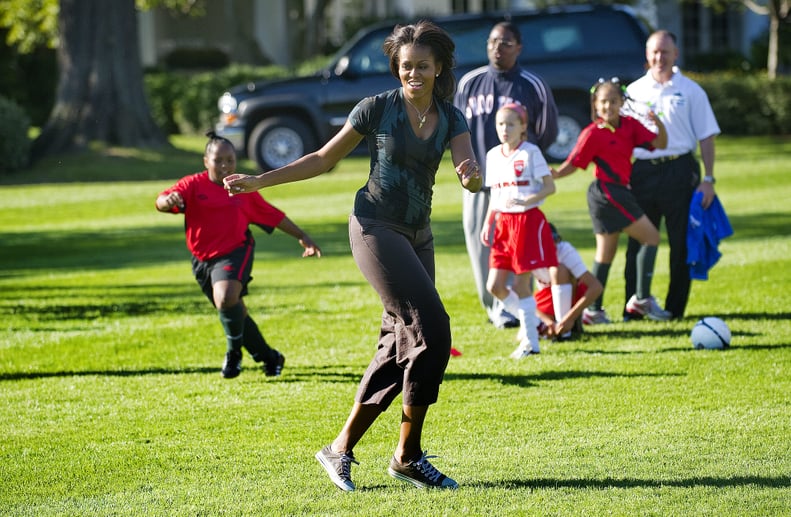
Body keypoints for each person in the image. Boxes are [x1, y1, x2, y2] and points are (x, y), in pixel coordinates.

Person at [223, 21, 481, 492]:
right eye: (406, 67)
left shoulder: (451, 116)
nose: (414, 74)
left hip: (418, 235)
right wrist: (260, 181)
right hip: (374, 228)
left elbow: (470, 173)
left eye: (423, 66)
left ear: (438, 67)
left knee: (396, 345)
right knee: (433, 329)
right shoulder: (377, 109)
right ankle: (408, 453)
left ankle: (344, 449)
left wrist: (472, 177)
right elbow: (323, 159)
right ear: (396, 68)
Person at [155, 131, 322, 379]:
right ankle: (269, 357)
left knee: (225, 298)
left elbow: (272, 214)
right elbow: (161, 200)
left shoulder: (242, 188)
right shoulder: (192, 185)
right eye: (218, 160)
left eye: (230, 160)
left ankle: (234, 355)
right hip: (202, 261)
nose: (224, 165)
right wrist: (169, 201)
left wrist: (303, 236)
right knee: (235, 310)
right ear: (205, 161)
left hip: (236, 251)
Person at [454, 21, 559, 329]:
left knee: (517, 246)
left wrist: (523, 161)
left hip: (516, 183)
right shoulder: (470, 83)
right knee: (480, 243)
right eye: (493, 41)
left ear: (519, 48)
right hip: (479, 182)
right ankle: (497, 309)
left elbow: (546, 131)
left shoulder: (531, 84)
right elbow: (457, 132)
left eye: (505, 42)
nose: (497, 47)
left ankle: (517, 306)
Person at [551, 79, 670, 324]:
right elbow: (573, 163)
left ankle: (593, 312)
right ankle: (641, 299)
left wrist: (657, 122)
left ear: (621, 103)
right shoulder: (593, 133)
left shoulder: (630, 126)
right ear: (596, 104)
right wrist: (554, 173)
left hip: (617, 193)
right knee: (652, 237)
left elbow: (660, 143)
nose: (608, 106)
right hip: (607, 194)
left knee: (606, 254)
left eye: (613, 101)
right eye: (603, 102)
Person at [623, 30, 721, 320]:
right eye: (654, 52)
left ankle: (675, 310)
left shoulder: (691, 90)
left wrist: (709, 179)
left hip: (680, 170)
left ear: (676, 54)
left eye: (665, 52)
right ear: (646, 55)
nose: (659, 58)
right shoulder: (634, 91)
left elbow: (706, 137)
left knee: (681, 243)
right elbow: (624, 138)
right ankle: (635, 307)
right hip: (642, 172)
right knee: (639, 241)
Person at [480, 103, 556, 359]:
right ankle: (533, 323)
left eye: (511, 124)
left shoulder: (530, 152)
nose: (504, 129)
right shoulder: (492, 155)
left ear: (523, 127)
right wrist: (487, 222)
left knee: (522, 284)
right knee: (495, 286)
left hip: (526, 221)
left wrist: (527, 200)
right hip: (502, 224)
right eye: (501, 124)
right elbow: (494, 194)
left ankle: (531, 344)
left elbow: (549, 187)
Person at [532, 223, 603, 341]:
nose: (554, 244)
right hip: (545, 299)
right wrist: (546, 321)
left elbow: (595, 287)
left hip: (572, 294)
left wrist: (569, 318)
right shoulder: (528, 254)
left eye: (555, 239)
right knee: (525, 334)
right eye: (547, 242)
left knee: (559, 270)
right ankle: (557, 326)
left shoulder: (564, 250)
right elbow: (521, 295)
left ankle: (565, 331)